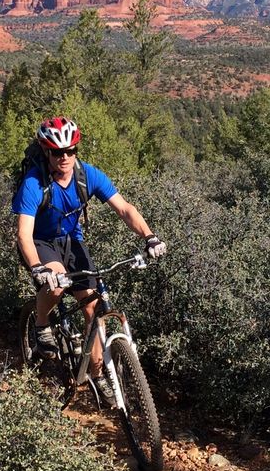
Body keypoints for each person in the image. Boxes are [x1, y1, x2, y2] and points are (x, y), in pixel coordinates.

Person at [12, 116, 166, 405]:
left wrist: (150, 237)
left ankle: (97, 375)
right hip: (41, 243)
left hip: (72, 242)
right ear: (47, 152)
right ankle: (42, 323)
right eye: (58, 152)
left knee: (95, 307)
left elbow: (124, 209)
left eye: (71, 150)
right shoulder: (34, 183)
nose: (65, 157)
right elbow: (23, 234)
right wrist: (37, 268)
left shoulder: (87, 175)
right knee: (56, 284)